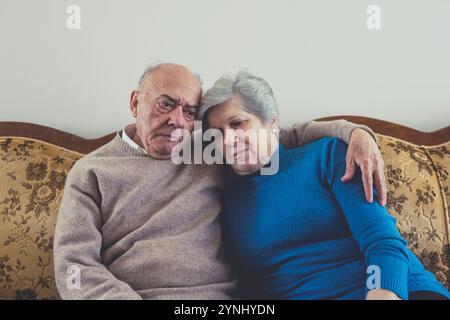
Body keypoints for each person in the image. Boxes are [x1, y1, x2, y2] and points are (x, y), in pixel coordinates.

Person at [54, 62, 385, 299]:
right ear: (135, 102)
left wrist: (355, 133)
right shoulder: (91, 172)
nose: (177, 121)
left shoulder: (208, 148)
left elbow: (278, 134)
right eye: (166, 104)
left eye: (189, 112)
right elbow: (75, 267)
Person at [199, 70, 450, 300]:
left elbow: (381, 241)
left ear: (272, 122)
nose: (228, 140)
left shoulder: (327, 156)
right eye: (217, 133)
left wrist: (383, 290)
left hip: (397, 291)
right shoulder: (226, 199)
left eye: (238, 124)